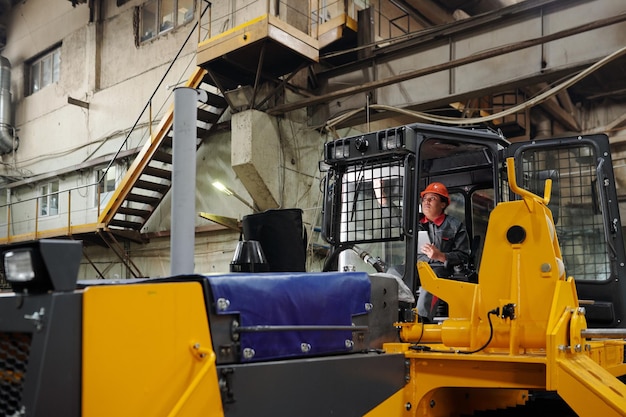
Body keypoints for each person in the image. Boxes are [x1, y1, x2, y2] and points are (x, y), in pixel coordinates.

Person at [416, 182, 471, 322]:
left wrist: (441, 256)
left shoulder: (455, 226)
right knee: (393, 273)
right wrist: (384, 200)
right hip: (416, 267)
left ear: (442, 204)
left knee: (431, 280)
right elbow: (394, 216)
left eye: (432, 199)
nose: (426, 202)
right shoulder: (414, 223)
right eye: (424, 199)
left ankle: (421, 321)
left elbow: (464, 255)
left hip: (440, 269)